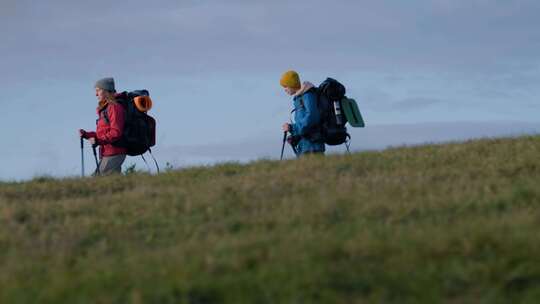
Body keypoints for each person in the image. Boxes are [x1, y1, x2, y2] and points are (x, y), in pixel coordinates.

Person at [79, 77, 127, 175]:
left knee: (97, 182)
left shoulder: (114, 107)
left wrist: (98, 141)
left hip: (114, 152)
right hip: (108, 153)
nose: (96, 94)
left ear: (105, 91)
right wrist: (86, 135)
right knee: (112, 184)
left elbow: (116, 132)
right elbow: (103, 133)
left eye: (98, 90)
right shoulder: (106, 108)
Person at [280, 70, 325, 156]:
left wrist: (292, 128)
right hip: (304, 147)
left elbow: (312, 117)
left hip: (312, 146)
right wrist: (295, 136)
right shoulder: (299, 97)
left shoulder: (307, 95)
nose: (284, 90)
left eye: (285, 86)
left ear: (292, 84)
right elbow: (304, 123)